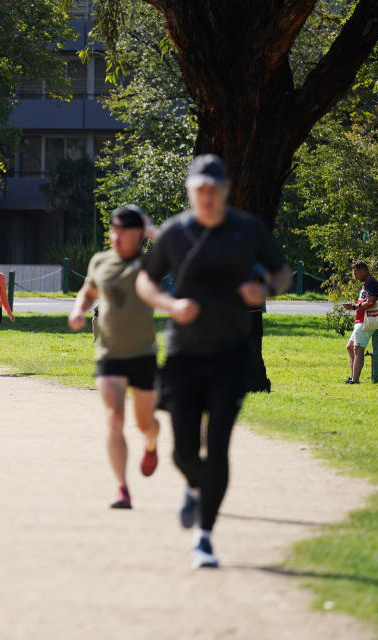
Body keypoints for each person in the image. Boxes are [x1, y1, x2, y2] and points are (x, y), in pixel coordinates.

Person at [135, 155, 290, 568]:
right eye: (200, 190)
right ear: (191, 192)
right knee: (183, 452)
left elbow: (282, 272)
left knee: (218, 445)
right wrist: (170, 304)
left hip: (230, 356)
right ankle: (192, 485)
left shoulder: (247, 230)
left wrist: (266, 290)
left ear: (224, 191)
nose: (207, 197)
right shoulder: (175, 234)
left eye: (214, 190)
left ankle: (204, 537)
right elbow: (145, 280)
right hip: (185, 356)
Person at [68, 206, 160, 510]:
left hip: (143, 353)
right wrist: (78, 309)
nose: (116, 236)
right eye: (113, 229)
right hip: (109, 353)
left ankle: (151, 443)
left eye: (124, 231)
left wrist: (152, 230)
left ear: (138, 234)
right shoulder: (100, 260)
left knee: (145, 422)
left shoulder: (149, 263)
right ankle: (122, 489)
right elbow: (89, 290)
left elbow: (183, 255)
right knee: (115, 417)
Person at [341, 261, 378, 384]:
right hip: (360, 320)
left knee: (358, 349)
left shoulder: (372, 283)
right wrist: (354, 305)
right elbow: (364, 301)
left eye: (357, 273)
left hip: (367, 320)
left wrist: (353, 307)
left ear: (364, 271)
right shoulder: (366, 284)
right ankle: (352, 376)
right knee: (350, 347)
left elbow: (370, 301)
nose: (355, 276)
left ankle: (355, 379)